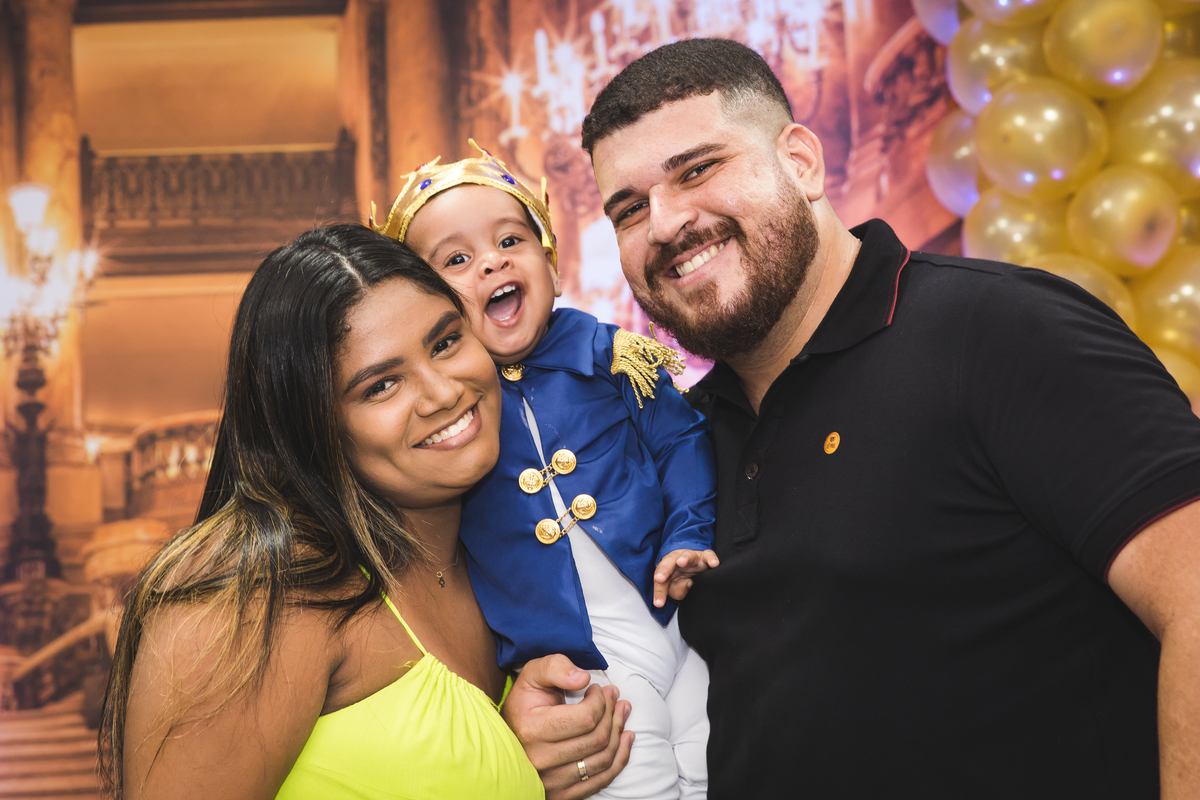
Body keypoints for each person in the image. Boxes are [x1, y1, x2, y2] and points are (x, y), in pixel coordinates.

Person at [581, 37, 1200, 799]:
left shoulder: (999, 330)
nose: (665, 223)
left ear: (801, 162)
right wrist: (552, 722)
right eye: (629, 209)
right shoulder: (679, 439)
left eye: (697, 169)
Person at [97, 225, 634, 800]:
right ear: (312, 427)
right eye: (381, 386)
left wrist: (510, 754)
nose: (443, 392)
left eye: (445, 342)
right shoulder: (256, 592)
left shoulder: (504, 550)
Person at [371, 142, 718, 800]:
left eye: (511, 240)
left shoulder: (609, 354)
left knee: (722, 763)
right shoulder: (447, 417)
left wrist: (689, 533)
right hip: (585, 668)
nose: (492, 262)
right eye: (456, 260)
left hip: (684, 621)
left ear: (552, 265)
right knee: (636, 782)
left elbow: (680, 441)